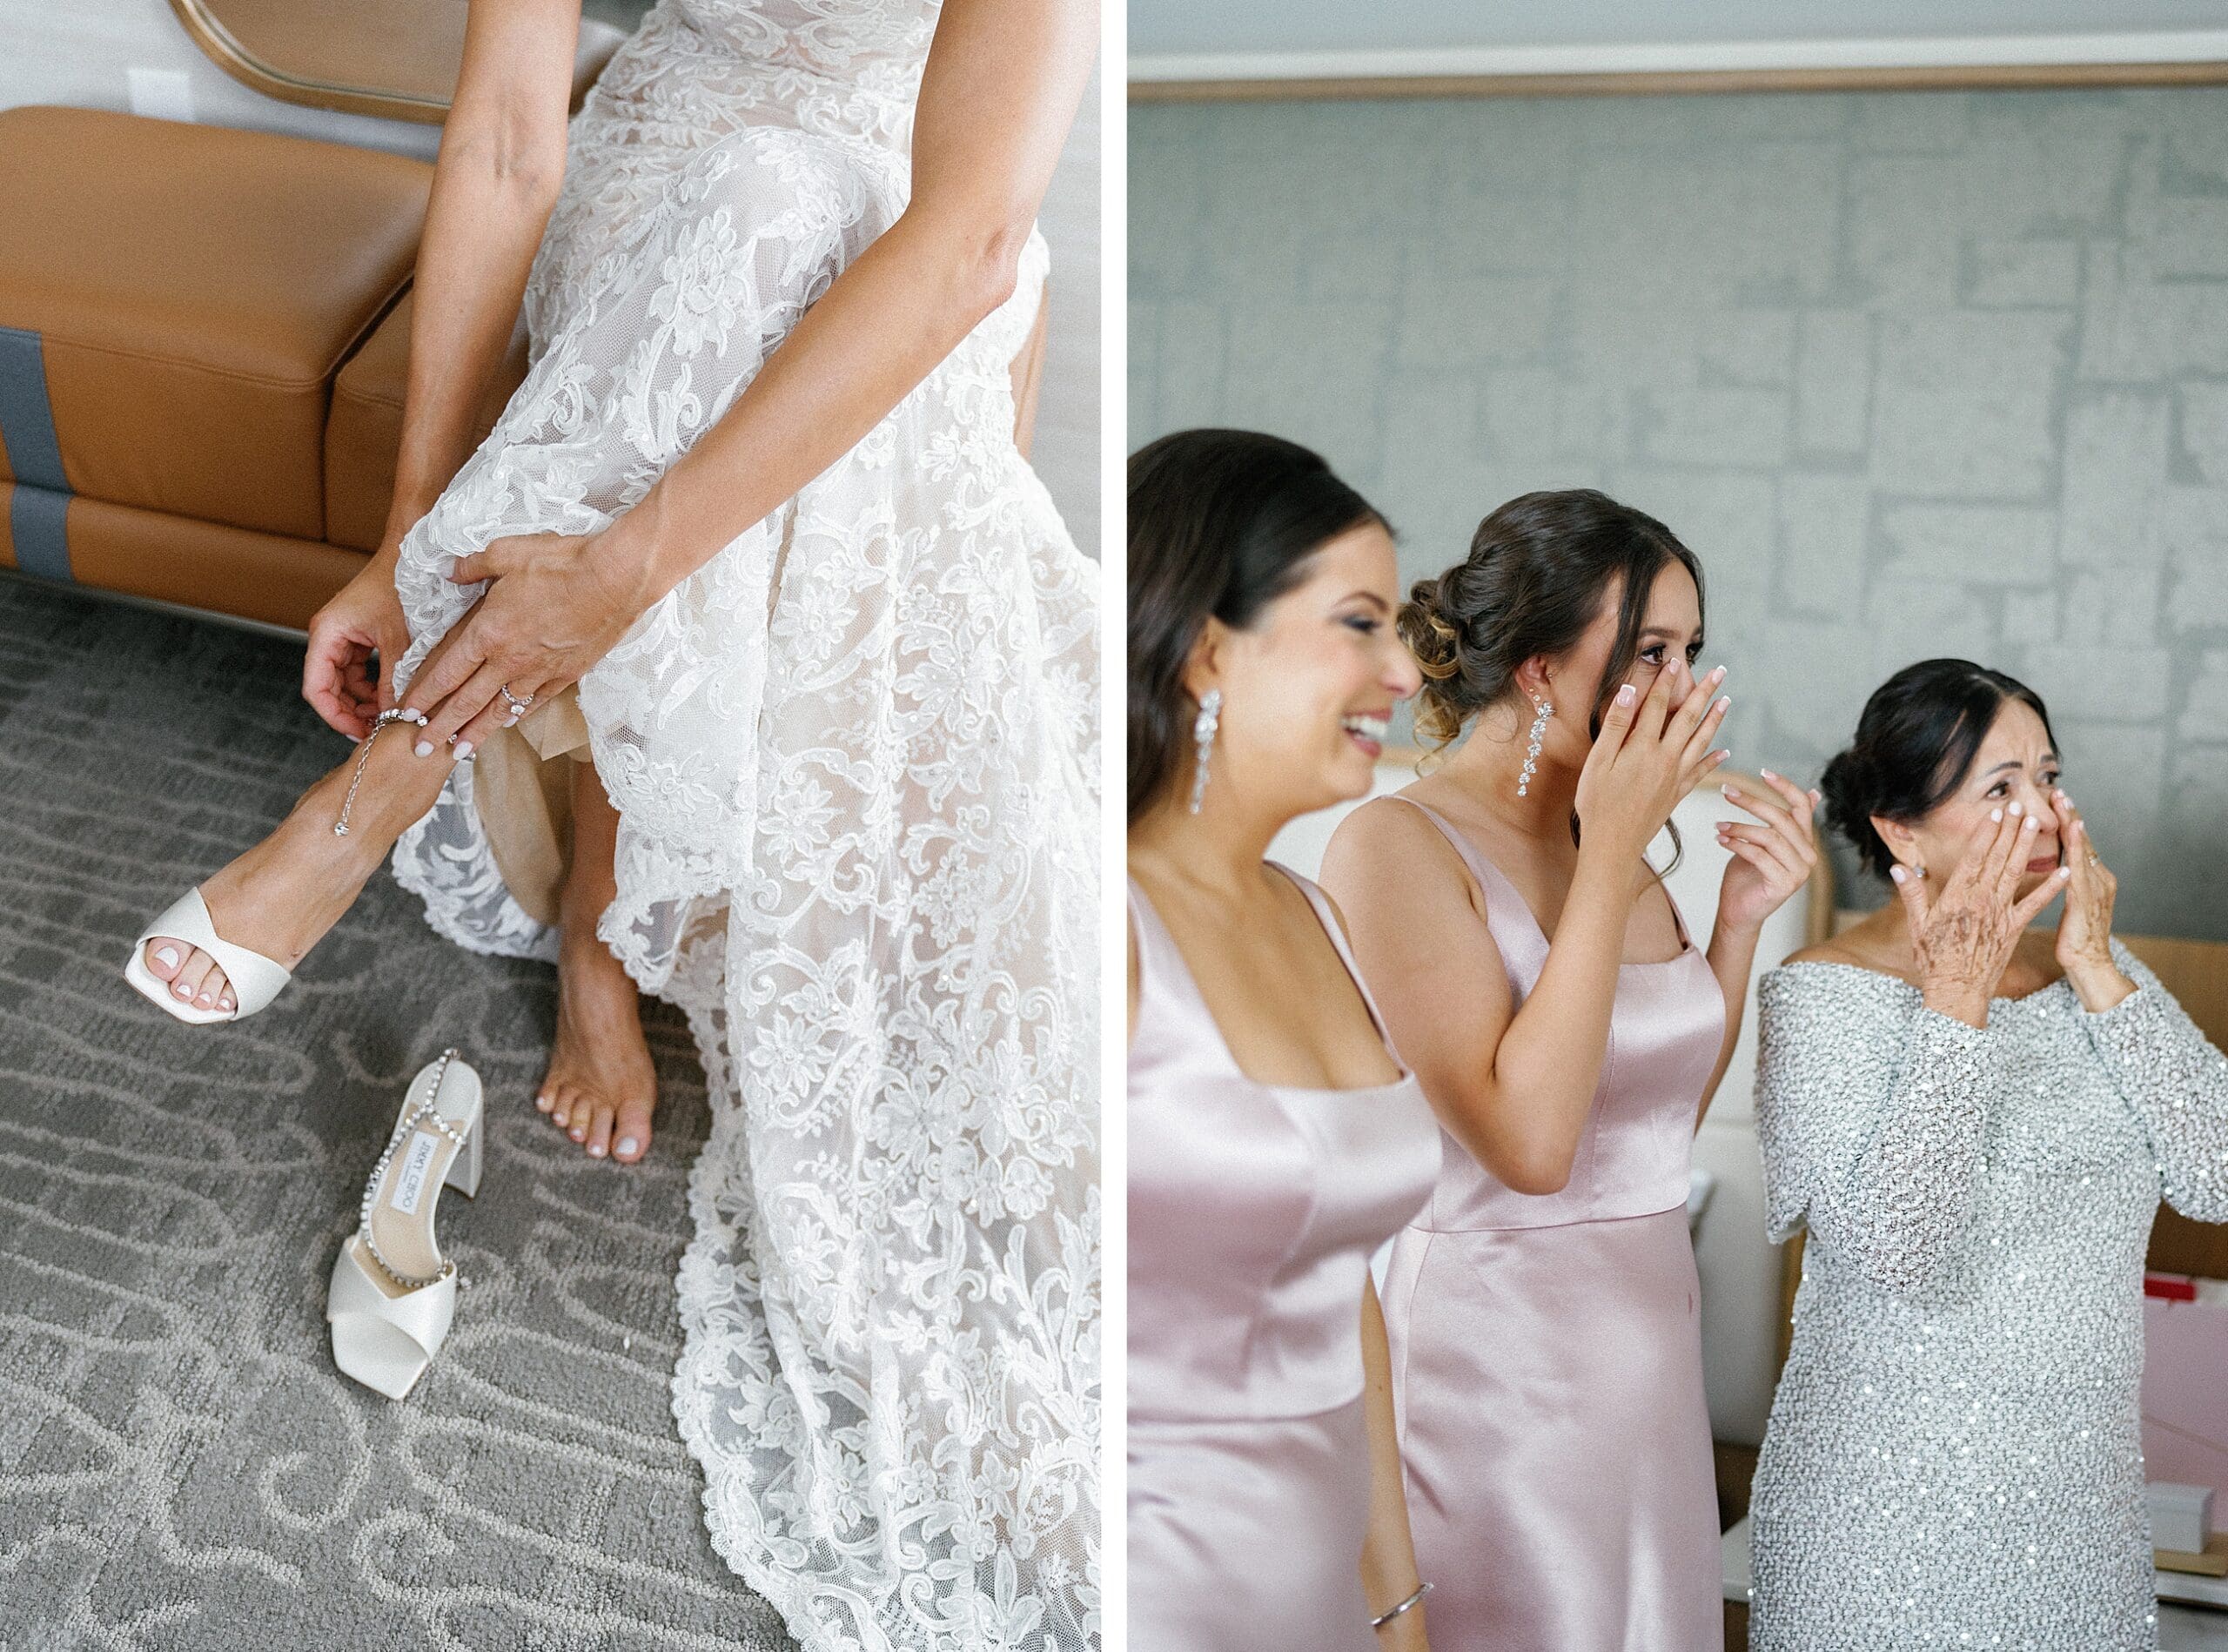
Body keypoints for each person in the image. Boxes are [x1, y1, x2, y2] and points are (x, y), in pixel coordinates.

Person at [122, 2, 1100, 1646]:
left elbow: (972, 233)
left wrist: (630, 566)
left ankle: (394, 791)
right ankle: (569, 904)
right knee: (755, 214)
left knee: (798, 217)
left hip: (919, 238)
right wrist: (405, 543)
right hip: (669, 204)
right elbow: (513, 129)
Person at [1321, 490, 1813, 1649]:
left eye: (1693, 650)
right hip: (1497, 1381)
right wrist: (1612, 861)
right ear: (1541, 666)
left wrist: (1735, 926)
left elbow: (1653, 1128)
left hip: (1646, 1377)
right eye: (1651, 651)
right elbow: (1534, 1147)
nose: (1687, 685)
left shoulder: (1616, 851)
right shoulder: (1396, 846)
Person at [1749, 659, 2228, 1651]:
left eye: (2047, 778)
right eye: (2000, 789)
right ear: (1898, 828)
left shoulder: (2091, 964)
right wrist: (1955, 1001)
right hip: (1879, 1517)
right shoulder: (1816, 994)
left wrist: (2093, 963)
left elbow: (2216, 1174)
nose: (2045, 813)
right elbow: (1899, 1250)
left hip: (2078, 1512)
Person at [1127, 428, 1440, 1651]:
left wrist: (1399, 1604)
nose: (1405, 671)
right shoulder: (1113, 918)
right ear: (1210, 648)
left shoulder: (1313, 910)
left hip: (1313, 1589)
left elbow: (1339, 1282)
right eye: (1361, 623)